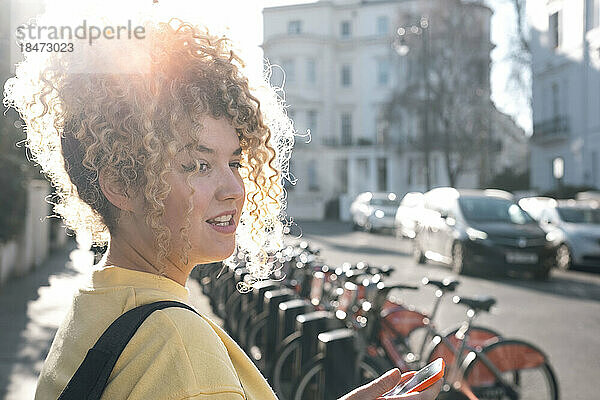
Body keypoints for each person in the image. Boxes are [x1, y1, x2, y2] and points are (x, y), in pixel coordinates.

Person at [4, 4, 442, 400]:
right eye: (198, 165)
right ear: (121, 182)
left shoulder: (97, 301)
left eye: (235, 160)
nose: (235, 187)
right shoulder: (177, 348)